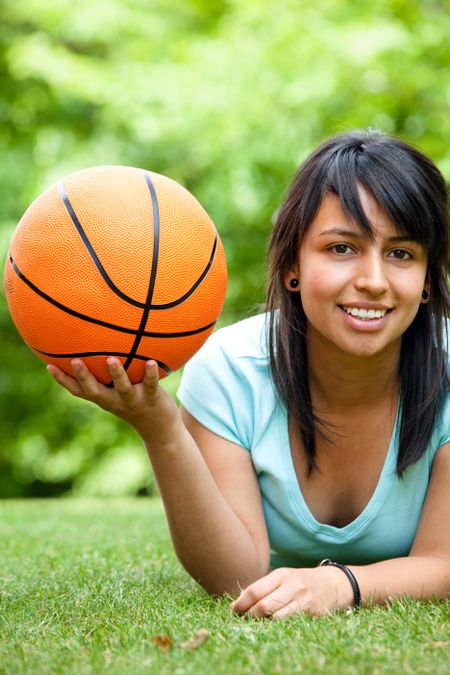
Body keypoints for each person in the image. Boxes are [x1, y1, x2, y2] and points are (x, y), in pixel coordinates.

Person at [48, 129, 450, 618]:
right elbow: (235, 577)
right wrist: (160, 428)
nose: (372, 280)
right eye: (341, 248)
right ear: (291, 267)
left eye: (401, 254)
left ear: (428, 280)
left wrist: (339, 586)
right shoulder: (229, 371)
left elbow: (442, 562)